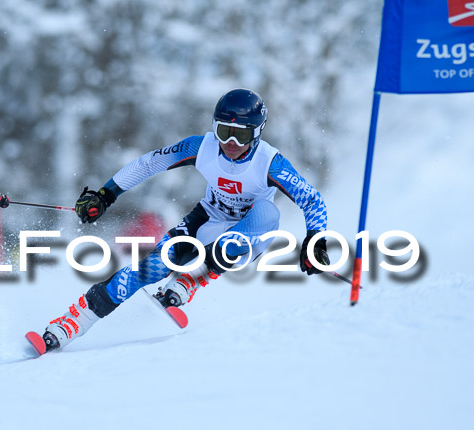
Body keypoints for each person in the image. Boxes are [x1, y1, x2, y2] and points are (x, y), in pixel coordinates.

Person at [41, 88, 330, 351]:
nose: (229, 142)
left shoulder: (270, 163)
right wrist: (106, 194)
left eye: (240, 135)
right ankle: (75, 321)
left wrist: (315, 242)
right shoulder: (201, 147)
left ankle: (190, 279)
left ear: (257, 133)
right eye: (223, 131)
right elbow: (150, 162)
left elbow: (311, 199)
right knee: (151, 269)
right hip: (206, 219)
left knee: (268, 213)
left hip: (250, 235)